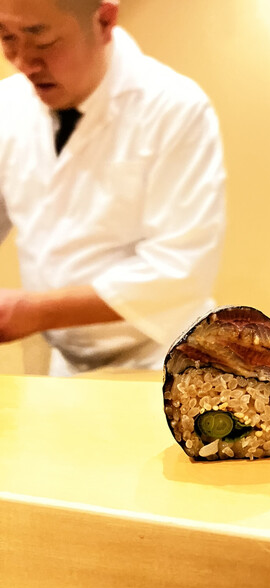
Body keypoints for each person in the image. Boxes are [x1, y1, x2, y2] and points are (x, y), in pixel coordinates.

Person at [0, 0, 226, 376]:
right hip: (68, 366)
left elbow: (179, 269)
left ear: (104, 20)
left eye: (41, 40)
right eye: (6, 37)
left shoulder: (174, 107)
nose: (24, 62)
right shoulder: (7, 106)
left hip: (164, 357)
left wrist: (31, 312)